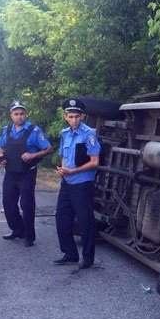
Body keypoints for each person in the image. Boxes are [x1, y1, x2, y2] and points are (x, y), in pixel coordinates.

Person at [0, 101, 53, 247]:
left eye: (22, 113)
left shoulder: (34, 131)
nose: (19, 116)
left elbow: (48, 148)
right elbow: (1, 148)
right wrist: (1, 158)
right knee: (8, 204)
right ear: (11, 115)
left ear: (25, 115)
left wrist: (32, 155)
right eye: (16, 114)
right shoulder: (7, 130)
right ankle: (17, 229)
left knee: (26, 205)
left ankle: (29, 236)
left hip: (27, 173)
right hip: (10, 172)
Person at [54, 99, 101, 269]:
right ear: (66, 117)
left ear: (82, 116)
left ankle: (88, 258)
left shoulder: (89, 134)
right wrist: (63, 170)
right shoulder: (65, 133)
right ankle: (70, 254)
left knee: (85, 221)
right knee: (61, 218)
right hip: (67, 182)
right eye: (71, 116)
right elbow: (63, 156)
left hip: (82, 183)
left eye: (77, 116)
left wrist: (73, 171)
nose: (74, 120)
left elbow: (95, 161)